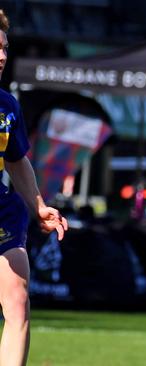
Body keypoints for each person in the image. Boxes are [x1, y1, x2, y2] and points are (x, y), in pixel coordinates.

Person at [0, 9, 68, 366]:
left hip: (3, 212)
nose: (1, 55)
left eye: (5, 47)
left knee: (17, 299)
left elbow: (16, 159)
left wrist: (38, 205)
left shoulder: (7, 105)